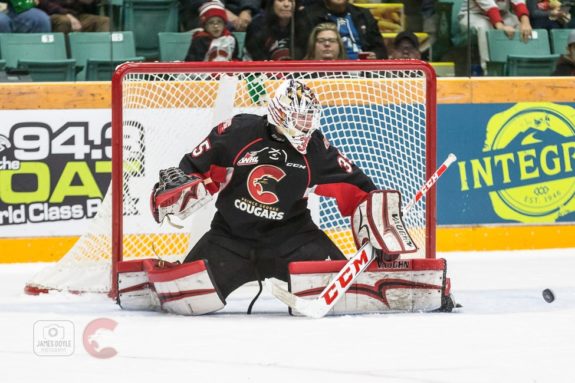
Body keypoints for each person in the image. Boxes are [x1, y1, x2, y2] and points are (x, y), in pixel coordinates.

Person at [118, 80, 416, 315]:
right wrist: (176, 188)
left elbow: (358, 188)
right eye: (299, 118)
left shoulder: (316, 148)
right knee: (187, 301)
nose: (306, 125)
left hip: (294, 238)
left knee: (350, 295)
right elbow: (193, 168)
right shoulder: (236, 132)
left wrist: (380, 219)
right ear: (280, 113)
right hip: (229, 239)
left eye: (309, 118)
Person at [294, 0, 388, 60]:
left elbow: (380, 48)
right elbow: (302, 51)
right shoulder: (308, 15)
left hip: (363, 71)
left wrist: (375, 55)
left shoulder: (364, 14)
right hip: (327, 71)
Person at [458, 0, 533, 70]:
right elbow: (490, 7)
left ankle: (519, 67)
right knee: (484, 26)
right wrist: (501, 26)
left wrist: (525, 23)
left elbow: (519, 3)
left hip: (502, 14)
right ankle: (488, 69)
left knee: (518, 24)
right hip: (473, 14)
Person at [38, 0, 109, 33]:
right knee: (64, 21)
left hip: (77, 15)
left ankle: (104, 59)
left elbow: (91, 7)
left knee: (104, 21)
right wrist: (67, 14)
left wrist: (91, 2)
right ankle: (62, 59)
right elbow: (44, 3)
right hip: (54, 14)